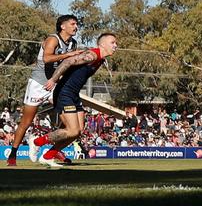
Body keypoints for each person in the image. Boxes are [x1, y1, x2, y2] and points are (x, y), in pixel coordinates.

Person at [27, 33, 118, 168]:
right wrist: (53, 79)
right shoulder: (92, 55)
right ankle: (36, 142)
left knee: (78, 131)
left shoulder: (100, 59)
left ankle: (47, 156)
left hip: (74, 94)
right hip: (64, 93)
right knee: (72, 130)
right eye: (113, 42)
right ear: (102, 44)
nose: (116, 46)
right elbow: (68, 61)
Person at [7, 15, 85, 166]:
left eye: (76, 24)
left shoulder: (73, 43)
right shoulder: (53, 39)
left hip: (56, 84)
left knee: (70, 124)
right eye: (73, 24)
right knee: (26, 121)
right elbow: (47, 58)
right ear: (63, 26)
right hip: (39, 84)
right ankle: (13, 154)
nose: (76, 27)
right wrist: (69, 55)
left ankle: (54, 151)